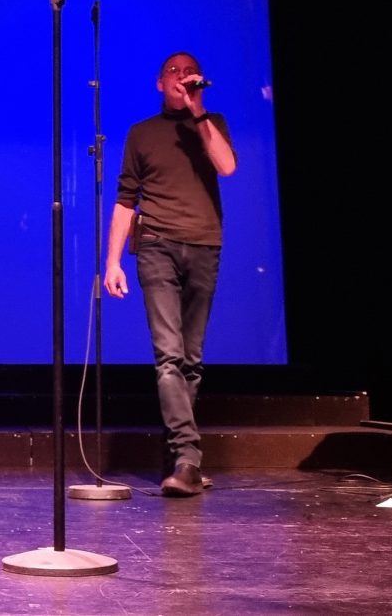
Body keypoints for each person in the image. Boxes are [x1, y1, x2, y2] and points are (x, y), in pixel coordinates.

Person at [103, 51, 237, 496]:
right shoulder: (141, 133)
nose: (182, 76)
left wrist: (199, 112)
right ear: (160, 84)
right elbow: (126, 199)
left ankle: (179, 460)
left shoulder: (211, 123)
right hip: (156, 246)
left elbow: (227, 166)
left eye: (189, 70)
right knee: (169, 358)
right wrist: (112, 261)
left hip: (204, 245)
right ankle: (188, 458)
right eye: (173, 72)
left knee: (191, 362)